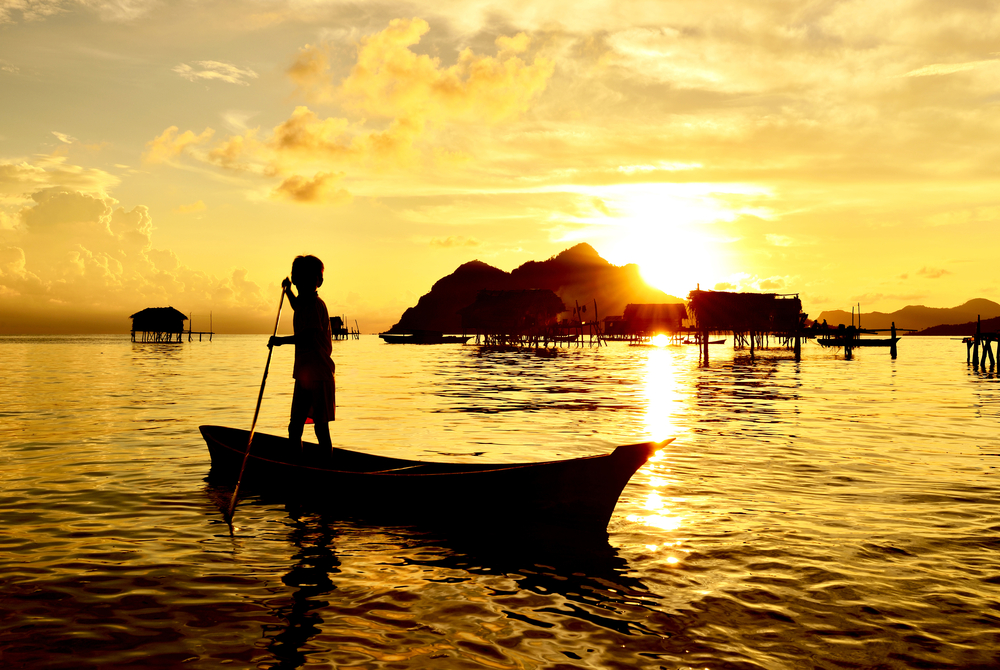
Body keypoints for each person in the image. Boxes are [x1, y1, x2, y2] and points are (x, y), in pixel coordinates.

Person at [268, 255, 336, 459]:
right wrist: (288, 291)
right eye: (299, 278)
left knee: (320, 429)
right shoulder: (304, 303)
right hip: (304, 375)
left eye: (310, 278)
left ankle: (327, 470)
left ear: (318, 281)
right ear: (296, 280)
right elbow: (297, 305)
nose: (303, 282)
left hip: (320, 374)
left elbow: (308, 337)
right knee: (294, 426)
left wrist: (280, 341)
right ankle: (295, 465)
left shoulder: (316, 305)